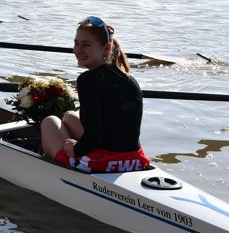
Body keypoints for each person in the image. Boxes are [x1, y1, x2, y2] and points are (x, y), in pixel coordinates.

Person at [40, 16, 151, 173]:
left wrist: (76, 149)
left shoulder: (87, 80)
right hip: (136, 160)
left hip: (103, 164)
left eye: (86, 45)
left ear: (106, 48)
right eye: (76, 43)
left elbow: (94, 135)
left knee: (49, 122)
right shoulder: (130, 78)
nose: (78, 50)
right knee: (69, 116)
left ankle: (50, 173)